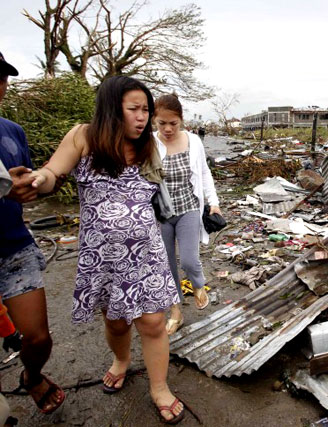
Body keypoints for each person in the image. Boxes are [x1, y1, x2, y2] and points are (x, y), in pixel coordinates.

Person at [28, 76, 185, 423]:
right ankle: (121, 360)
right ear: (112, 109)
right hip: (103, 258)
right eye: (134, 109)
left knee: (154, 322)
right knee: (115, 322)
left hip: (146, 253)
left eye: (146, 110)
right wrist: (40, 179)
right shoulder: (83, 136)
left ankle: (159, 387)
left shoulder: (150, 146)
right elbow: (54, 172)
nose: (142, 117)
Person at [0, 51, 66, 415]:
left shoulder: (12, 131)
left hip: (12, 246)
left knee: (38, 337)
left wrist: (45, 182)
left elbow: (27, 182)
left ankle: (31, 374)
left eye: (2, 76)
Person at [153, 94, 220, 335]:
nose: (168, 129)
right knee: (166, 264)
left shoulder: (194, 141)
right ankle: (176, 312)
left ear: (181, 120)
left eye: (173, 123)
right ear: (154, 121)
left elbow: (204, 173)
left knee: (190, 260)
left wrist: (213, 202)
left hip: (189, 208)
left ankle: (199, 285)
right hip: (160, 214)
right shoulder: (149, 143)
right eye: (162, 123)